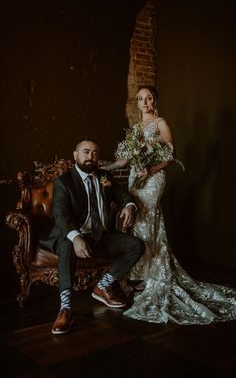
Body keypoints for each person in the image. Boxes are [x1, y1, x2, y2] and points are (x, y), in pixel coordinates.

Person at [102, 85, 236, 325]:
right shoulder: (134, 129)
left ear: (155, 100)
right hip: (135, 177)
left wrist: (149, 170)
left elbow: (170, 155)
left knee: (148, 218)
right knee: (136, 222)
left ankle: (154, 276)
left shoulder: (160, 122)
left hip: (152, 179)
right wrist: (106, 168)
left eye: (148, 98)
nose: (144, 102)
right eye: (140, 98)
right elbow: (125, 159)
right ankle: (140, 276)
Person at [39, 139, 145, 334]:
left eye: (94, 153)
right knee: (67, 244)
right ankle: (65, 309)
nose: (90, 157)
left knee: (136, 245)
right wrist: (76, 237)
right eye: (85, 152)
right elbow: (61, 215)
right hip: (70, 236)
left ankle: (102, 287)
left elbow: (123, 195)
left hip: (99, 237)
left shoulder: (105, 177)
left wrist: (129, 206)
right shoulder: (64, 182)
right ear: (75, 155)